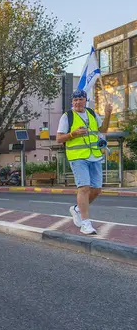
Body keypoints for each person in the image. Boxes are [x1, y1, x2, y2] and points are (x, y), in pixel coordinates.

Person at [56, 89, 113, 235]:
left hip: (94, 155)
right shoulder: (67, 117)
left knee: (96, 190)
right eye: (75, 100)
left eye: (80, 99)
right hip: (77, 157)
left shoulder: (92, 114)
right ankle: (85, 223)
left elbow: (104, 129)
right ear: (72, 102)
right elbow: (59, 139)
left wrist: (107, 114)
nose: (77, 102)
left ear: (85, 100)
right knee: (84, 188)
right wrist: (72, 134)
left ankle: (76, 209)